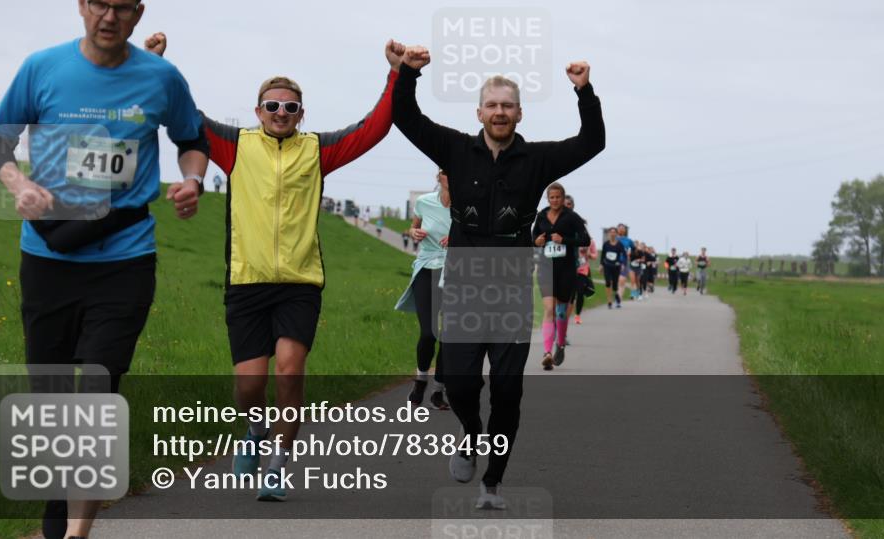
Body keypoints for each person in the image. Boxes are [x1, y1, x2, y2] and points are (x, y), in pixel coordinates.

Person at [0, 0, 208, 539]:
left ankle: (76, 535)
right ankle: (54, 519)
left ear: (139, 13)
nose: (108, 17)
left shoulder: (162, 78)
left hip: (124, 257)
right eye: (98, 4)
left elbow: (191, 140)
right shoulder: (42, 68)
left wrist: (192, 179)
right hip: (49, 257)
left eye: (121, 8)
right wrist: (19, 184)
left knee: (98, 395)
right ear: (81, 3)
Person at [156, 35, 403, 501]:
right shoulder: (234, 147)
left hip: (299, 282)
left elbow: (374, 127)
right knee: (249, 386)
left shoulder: (317, 150)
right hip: (246, 281)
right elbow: (185, 117)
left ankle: (278, 464)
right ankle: (255, 429)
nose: (281, 114)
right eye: (272, 106)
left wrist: (396, 72)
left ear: (301, 115)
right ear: (257, 110)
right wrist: (155, 66)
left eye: (290, 108)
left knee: (290, 371)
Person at [392, 45, 604, 510]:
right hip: (466, 289)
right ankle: (470, 433)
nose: (500, 112)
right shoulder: (454, 148)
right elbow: (405, 118)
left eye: (508, 105)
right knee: (463, 386)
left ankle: (493, 482)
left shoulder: (538, 160)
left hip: (509, 292)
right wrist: (407, 73)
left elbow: (592, 142)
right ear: (479, 112)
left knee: (508, 392)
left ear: (520, 113)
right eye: (492, 105)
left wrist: (583, 91)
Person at [395, 169, 452, 411]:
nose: (450, 176)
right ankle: (420, 381)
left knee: (450, 337)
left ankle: (438, 391)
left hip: (455, 271)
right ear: (438, 177)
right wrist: (414, 232)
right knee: (429, 333)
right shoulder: (424, 202)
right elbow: (413, 227)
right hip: (427, 268)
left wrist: (458, 237)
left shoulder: (469, 206)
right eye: (446, 172)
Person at [532, 182, 590, 370]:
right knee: (549, 309)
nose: (555, 200)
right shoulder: (541, 215)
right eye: (552, 197)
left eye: (558, 197)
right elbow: (533, 237)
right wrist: (537, 241)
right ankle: (547, 352)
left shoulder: (572, 217)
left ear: (563, 198)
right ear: (548, 199)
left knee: (561, 311)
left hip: (566, 269)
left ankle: (561, 344)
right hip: (546, 267)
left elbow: (585, 240)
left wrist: (564, 240)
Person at [569, 218, 597, 325]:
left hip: (583, 269)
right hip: (570, 269)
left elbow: (595, 255)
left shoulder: (590, 241)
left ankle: (577, 315)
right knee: (570, 295)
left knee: (580, 292)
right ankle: (566, 315)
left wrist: (588, 253)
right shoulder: (570, 238)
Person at [601, 228, 627, 309]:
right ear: (609, 234)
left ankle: (616, 295)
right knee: (608, 282)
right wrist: (601, 265)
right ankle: (609, 301)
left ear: (616, 234)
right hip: (607, 266)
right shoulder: (606, 244)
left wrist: (623, 264)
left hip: (616, 266)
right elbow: (603, 255)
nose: (612, 234)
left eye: (614, 232)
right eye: (611, 232)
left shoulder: (619, 245)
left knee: (615, 285)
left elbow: (625, 255)